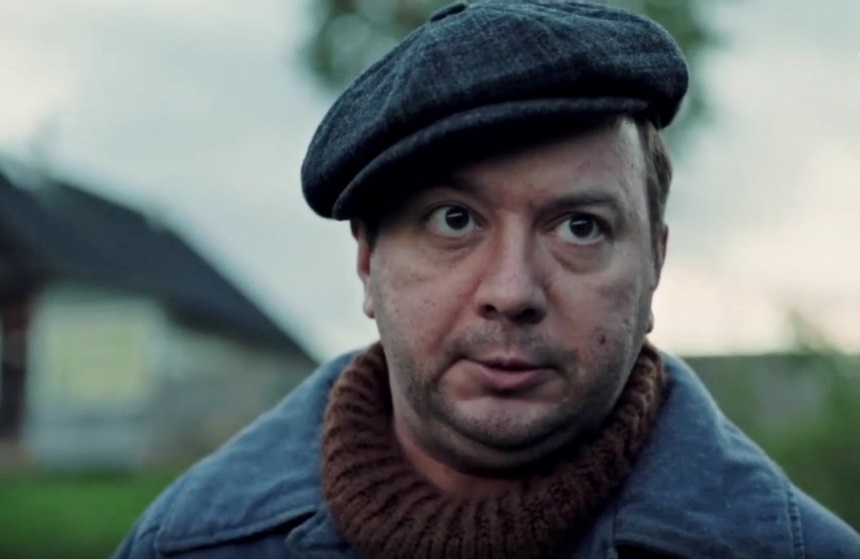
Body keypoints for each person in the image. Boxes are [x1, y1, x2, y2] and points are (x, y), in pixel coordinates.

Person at [113, 2, 860, 558]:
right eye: (453, 220)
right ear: (367, 260)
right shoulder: (187, 544)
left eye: (580, 227)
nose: (512, 290)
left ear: (654, 264)